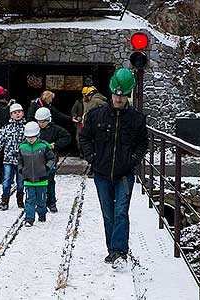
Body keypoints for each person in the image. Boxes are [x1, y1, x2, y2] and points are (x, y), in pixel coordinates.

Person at [80, 68, 149, 269]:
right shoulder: (95, 115)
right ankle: (112, 250)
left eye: (123, 96)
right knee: (108, 213)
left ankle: (119, 251)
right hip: (101, 172)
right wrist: (91, 157)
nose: (119, 99)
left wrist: (133, 159)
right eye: (116, 95)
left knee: (121, 212)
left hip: (125, 173)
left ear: (128, 96)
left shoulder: (137, 119)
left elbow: (142, 143)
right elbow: (85, 137)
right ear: (111, 93)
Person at [0, 103, 26, 210]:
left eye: (19, 112)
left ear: (23, 113)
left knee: (20, 183)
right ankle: (5, 200)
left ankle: (20, 200)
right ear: (11, 115)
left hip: (21, 160)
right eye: (15, 113)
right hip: (8, 159)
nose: (17, 114)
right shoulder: (6, 128)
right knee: (6, 181)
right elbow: (0, 143)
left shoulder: (26, 128)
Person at [18, 122, 56, 227]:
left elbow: (52, 158)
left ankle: (42, 213)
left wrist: (47, 168)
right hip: (28, 179)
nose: (30, 139)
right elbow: (20, 161)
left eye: (33, 137)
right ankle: (29, 218)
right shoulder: (22, 147)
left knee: (41, 199)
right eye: (28, 137)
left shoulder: (44, 146)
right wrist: (21, 170)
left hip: (42, 179)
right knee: (30, 200)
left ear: (37, 135)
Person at [35, 107, 71, 213]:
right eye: (39, 121)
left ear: (48, 120)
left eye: (43, 121)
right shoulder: (35, 129)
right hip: (36, 159)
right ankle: (40, 202)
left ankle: (51, 202)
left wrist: (55, 145)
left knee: (50, 181)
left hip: (50, 159)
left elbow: (67, 137)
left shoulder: (55, 129)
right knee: (38, 182)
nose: (41, 124)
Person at [71, 90, 84, 157]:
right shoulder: (78, 102)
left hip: (88, 123)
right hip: (79, 123)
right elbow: (73, 111)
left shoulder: (91, 103)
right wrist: (76, 116)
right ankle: (81, 152)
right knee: (78, 138)